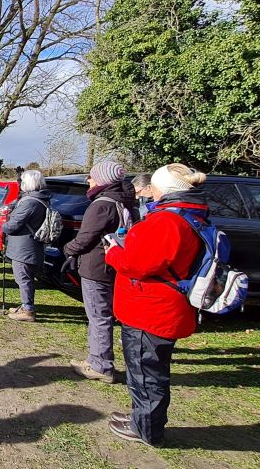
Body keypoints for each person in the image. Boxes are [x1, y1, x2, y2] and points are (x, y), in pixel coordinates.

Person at [104, 164, 208, 446]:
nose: (149, 191)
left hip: (151, 310)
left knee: (147, 372)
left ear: (164, 189)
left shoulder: (167, 222)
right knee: (145, 370)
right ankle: (141, 418)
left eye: (153, 186)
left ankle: (147, 430)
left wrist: (113, 251)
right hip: (159, 306)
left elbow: (136, 264)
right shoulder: (189, 216)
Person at [63, 160, 135, 383]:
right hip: (117, 265)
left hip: (97, 266)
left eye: (92, 176)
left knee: (98, 315)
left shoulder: (101, 205)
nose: (88, 180)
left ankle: (100, 364)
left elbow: (86, 238)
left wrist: (68, 248)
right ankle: (101, 360)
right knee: (108, 314)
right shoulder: (125, 202)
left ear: (102, 179)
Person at [1, 169, 49, 321]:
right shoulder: (41, 199)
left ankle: (28, 309)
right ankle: (25, 305)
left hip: (25, 247)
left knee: (23, 278)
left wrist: (3, 226)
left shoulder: (30, 202)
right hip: (30, 245)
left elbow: (14, 224)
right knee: (25, 277)